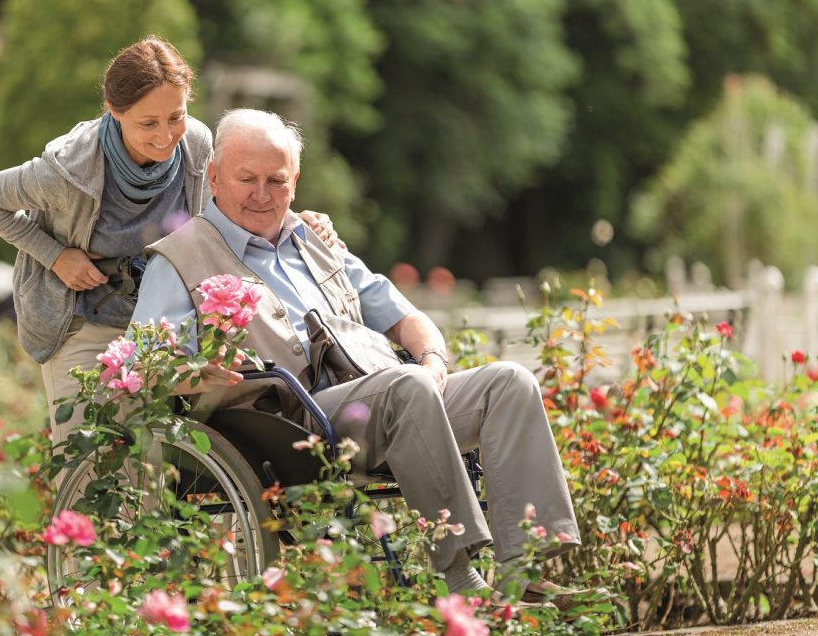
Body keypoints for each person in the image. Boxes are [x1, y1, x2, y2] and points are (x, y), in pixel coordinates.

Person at [131, 109, 586, 605]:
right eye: (246, 179)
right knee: (406, 386)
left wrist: (433, 360)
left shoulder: (317, 241)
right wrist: (200, 371)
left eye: (276, 180)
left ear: (295, 182)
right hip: (284, 426)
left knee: (509, 383)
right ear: (215, 176)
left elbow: (408, 318)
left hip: (380, 402)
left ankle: (526, 573)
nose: (262, 194)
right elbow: (149, 365)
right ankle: (458, 576)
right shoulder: (179, 258)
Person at [0, 36, 340, 447]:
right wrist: (55, 256)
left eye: (175, 116)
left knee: (157, 463)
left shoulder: (196, 143)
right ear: (114, 111)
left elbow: (230, 205)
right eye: (148, 123)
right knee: (89, 459)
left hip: (161, 323)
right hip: (83, 323)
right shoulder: (67, 169)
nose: (166, 136)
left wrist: (293, 220)